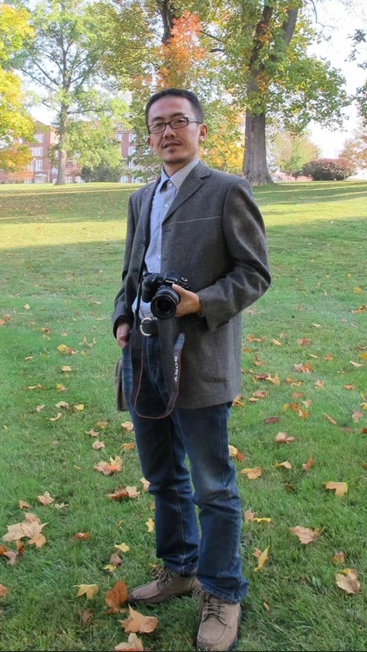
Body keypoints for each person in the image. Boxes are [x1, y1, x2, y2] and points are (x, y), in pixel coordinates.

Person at [112, 88, 270, 652]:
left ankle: (222, 591)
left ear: (201, 130)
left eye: (179, 121)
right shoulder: (141, 198)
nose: (168, 132)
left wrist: (200, 302)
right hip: (143, 357)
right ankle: (179, 568)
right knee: (162, 476)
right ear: (149, 136)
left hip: (200, 356)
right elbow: (131, 273)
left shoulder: (227, 190)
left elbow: (254, 273)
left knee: (212, 485)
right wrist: (121, 319)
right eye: (158, 124)